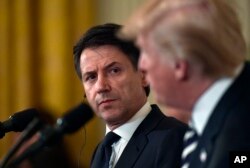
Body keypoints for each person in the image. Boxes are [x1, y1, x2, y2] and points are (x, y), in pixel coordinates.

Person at [119, 0, 250, 167]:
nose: (141, 65)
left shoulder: (240, 134)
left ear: (179, 64)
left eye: (146, 52)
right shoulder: (212, 117)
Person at [73, 23, 187, 168]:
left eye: (114, 70)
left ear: (144, 75)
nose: (101, 86)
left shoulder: (176, 139)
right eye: (91, 77)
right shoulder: (100, 151)